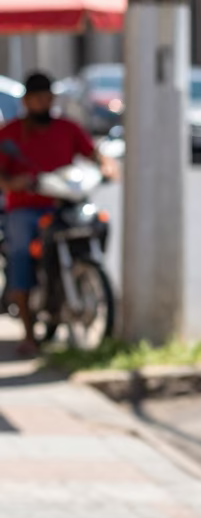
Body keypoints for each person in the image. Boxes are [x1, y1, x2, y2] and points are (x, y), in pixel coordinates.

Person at [0, 72, 115, 357]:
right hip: (25, 207)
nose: (43, 102)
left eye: (48, 97)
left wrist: (106, 165)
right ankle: (28, 334)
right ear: (27, 101)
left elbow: (93, 153)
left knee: (98, 224)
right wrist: (13, 183)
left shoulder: (67, 128)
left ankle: (81, 273)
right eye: (37, 97)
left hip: (63, 203)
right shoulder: (11, 133)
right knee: (22, 256)